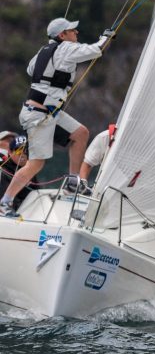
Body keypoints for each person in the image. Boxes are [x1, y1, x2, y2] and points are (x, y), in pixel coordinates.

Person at [0, 17, 115, 217]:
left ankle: (73, 182)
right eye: (72, 30)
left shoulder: (43, 51)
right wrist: (107, 37)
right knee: (36, 164)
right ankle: (5, 202)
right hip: (39, 116)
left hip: (47, 112)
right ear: (62, 35)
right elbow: (97, 49)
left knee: (80, 133)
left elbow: (30, 69)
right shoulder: (65, 48)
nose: (76, 33)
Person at [0, 135, 39, 211]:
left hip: (24, 210)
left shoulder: (30, 170)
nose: (23, 155)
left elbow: (37, 192)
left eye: (27, 152)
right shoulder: (4, 163)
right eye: (19, 151)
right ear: (10, 152)